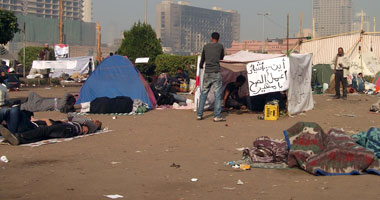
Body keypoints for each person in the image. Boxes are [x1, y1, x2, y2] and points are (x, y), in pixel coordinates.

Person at [0, 106, 101, 145]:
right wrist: (41, 120)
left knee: (14, 110)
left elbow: (50, 128)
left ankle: (15, 136)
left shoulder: (90, 126)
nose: (94, 120)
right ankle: (13, 135)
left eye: (97, 122)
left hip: (32, 128)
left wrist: (89, 120)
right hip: (31, 124)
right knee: (8, 110)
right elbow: (70, 116)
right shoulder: (73, 123)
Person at [197, 32, 225, 122]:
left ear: (211, 38)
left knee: (203, 94)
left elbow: (203, 59)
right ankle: (216, 116)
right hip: (216, 72)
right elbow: (222, 57)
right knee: (217, 95)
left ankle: (199, 114)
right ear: (218, 38)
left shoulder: (206, 46)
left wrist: (201, 66)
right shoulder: (220, 46)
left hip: (207, 73)